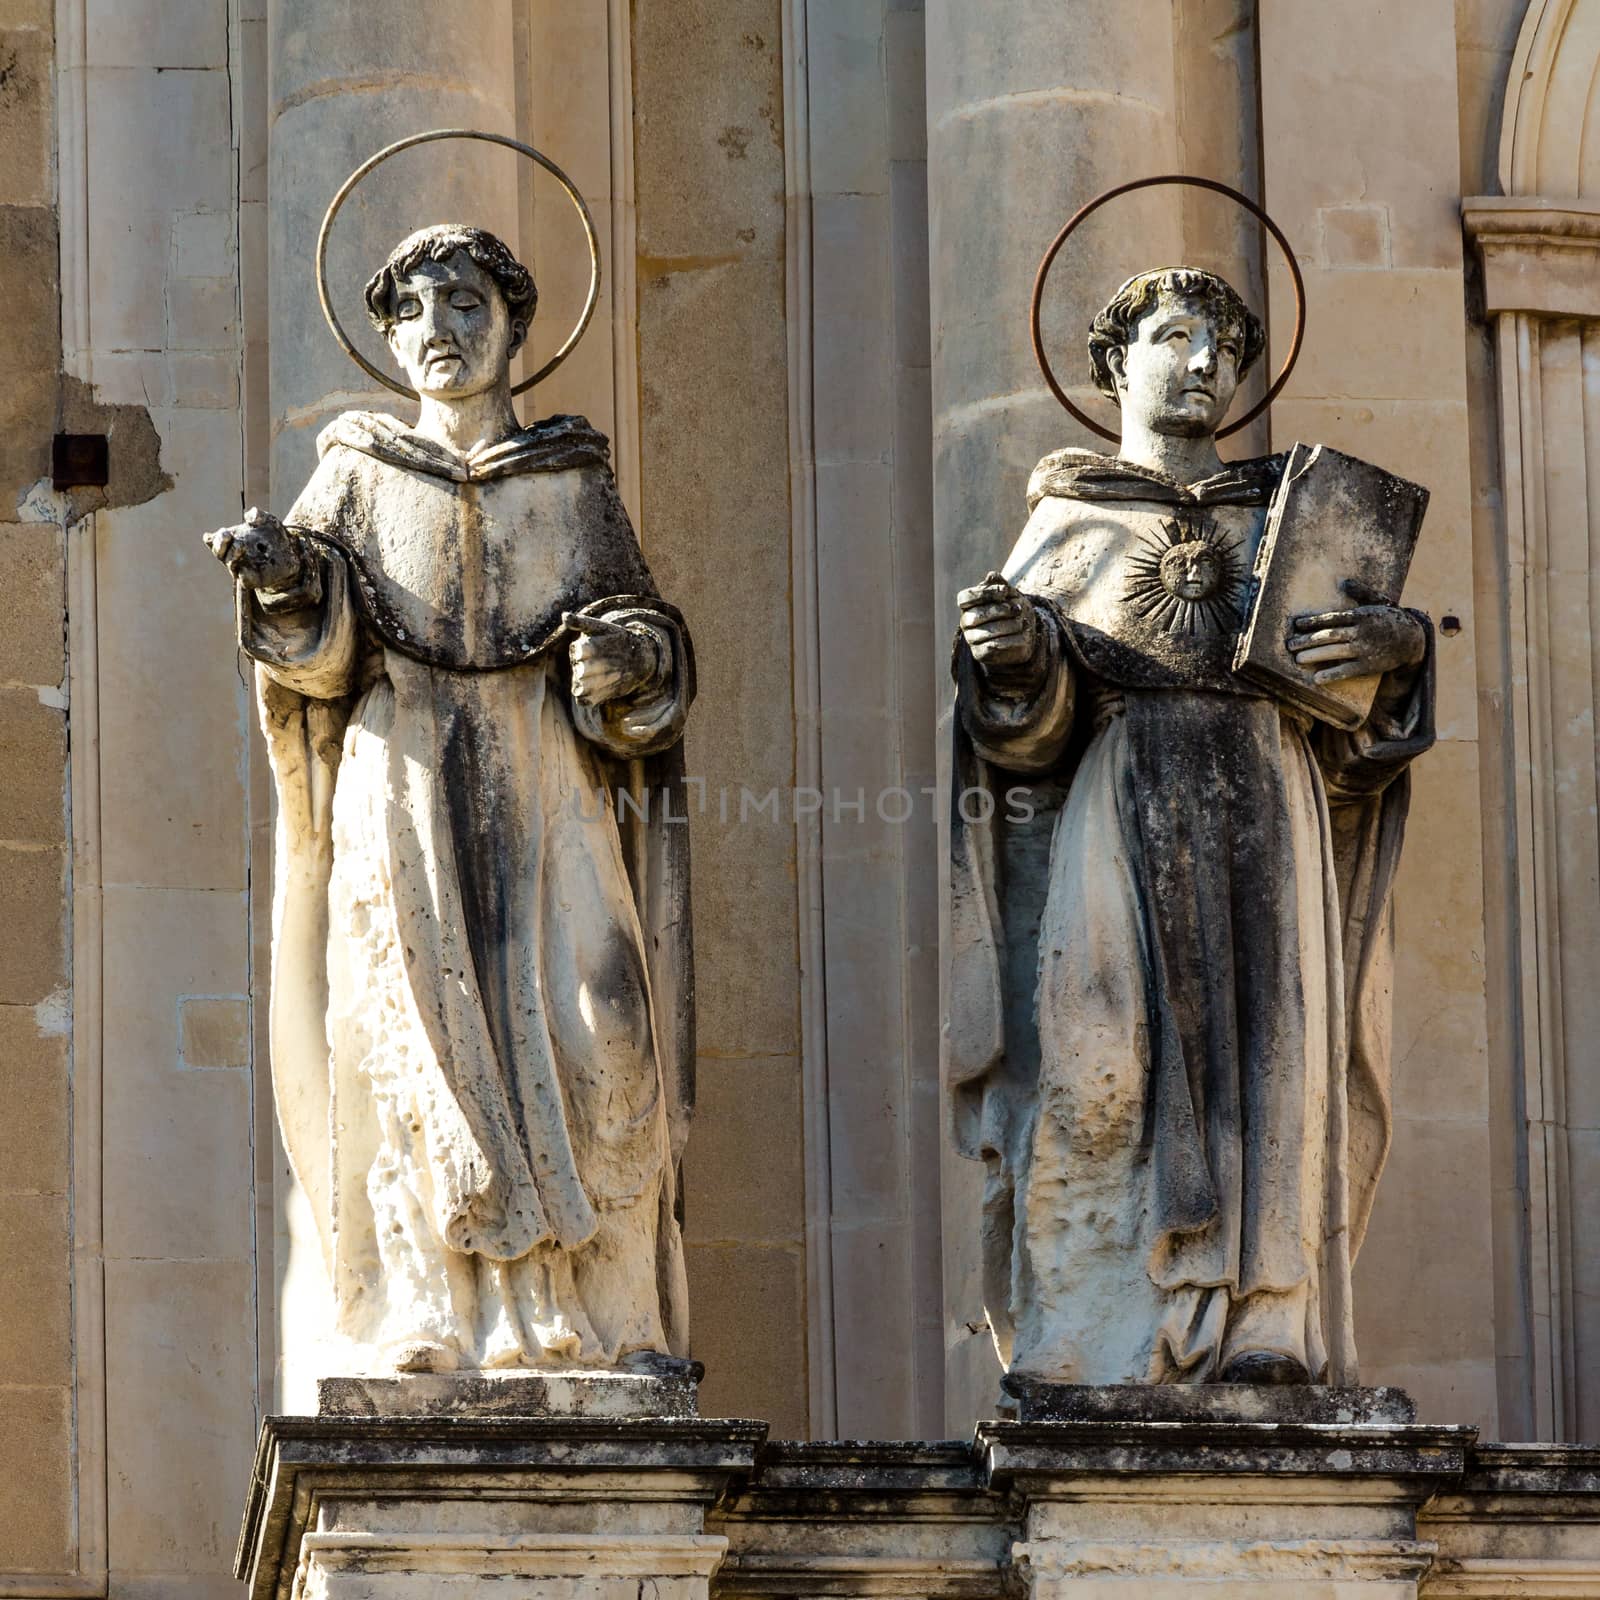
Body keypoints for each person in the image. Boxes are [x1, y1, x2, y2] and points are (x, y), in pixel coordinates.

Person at [205, 224, 695, 1375]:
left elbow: (642, 639)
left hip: (543, 782)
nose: (443, 331)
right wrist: (284, 584)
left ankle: (613, 1311)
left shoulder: (568, 481)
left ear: (516, 327)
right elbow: (314, 654)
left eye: (468, 304)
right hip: (406, 777)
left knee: (608, 1025)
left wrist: (628, 662)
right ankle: (435, 1315)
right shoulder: (360, 473)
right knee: (406, 1044)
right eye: (418, 311)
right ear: (386, 336)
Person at [947, 267, 1434, 1387]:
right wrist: (1017, 662)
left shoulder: (1284, 519)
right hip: (1120, 804)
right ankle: (1081, 1319)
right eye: (1176, 336)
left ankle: (1265, 1316)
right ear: (1117, 363)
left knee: (1272, 1058)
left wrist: (1396, 651)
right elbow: (1018, 743)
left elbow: (1359, 737)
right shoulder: (1071, 518)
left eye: (1223, 345)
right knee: (1093, 1047)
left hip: (1268, 797)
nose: (1205, 362)